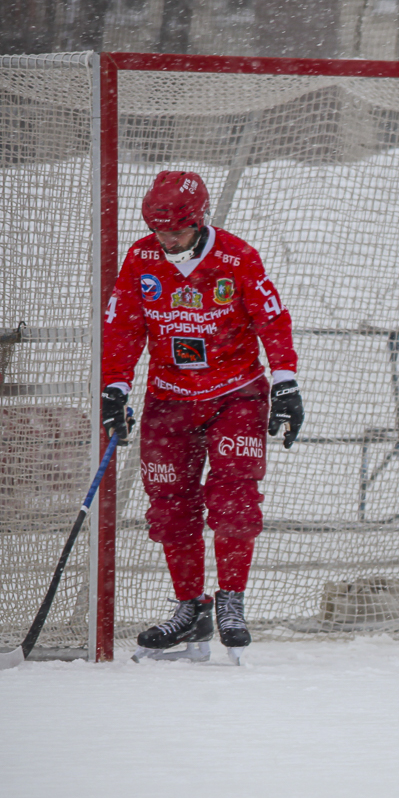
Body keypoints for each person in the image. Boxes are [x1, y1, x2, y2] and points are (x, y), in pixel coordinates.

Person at [100, 170, 305, 663]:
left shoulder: (237, 257)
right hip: (169, 397)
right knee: (170, 504)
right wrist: (115, 386)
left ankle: (231, 601)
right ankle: (192, 607)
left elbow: (272, 319)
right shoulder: (141, 258)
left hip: (235, 395)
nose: (167, 240)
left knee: (234, 498)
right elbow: (124, 326)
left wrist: (285, 382)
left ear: (201, 219)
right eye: (158, 230)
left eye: (177, 230)